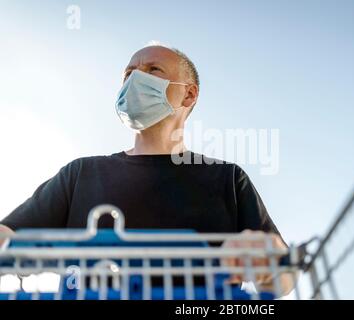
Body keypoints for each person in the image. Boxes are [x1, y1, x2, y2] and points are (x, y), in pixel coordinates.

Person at [0, 44, 295, 296]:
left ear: (189, 95)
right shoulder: (81, 174)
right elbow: (8, 235)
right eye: (128, 74)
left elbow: (284, 280)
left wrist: (267, 264)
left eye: (153, 70)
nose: (135, 79)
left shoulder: (227, 179)